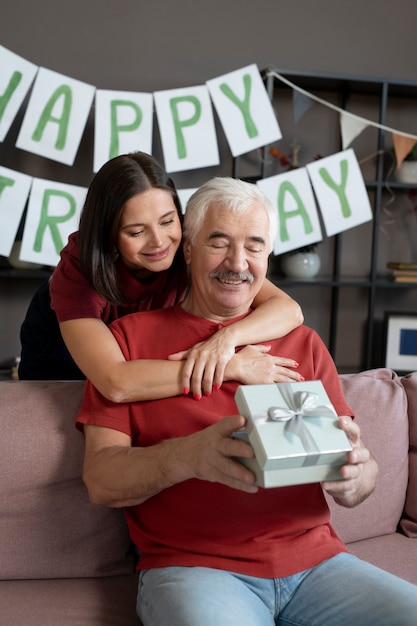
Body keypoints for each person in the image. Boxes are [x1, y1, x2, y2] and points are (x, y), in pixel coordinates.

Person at [76, 176, 417, 626]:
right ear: (189, 249)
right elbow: (101, 480)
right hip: (194, 568)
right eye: (219, 243)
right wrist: (188, 456)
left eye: (254, 247)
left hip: (319, 565)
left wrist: (357, 475)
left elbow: (360, 472)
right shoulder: (128, 342)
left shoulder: (302, 342)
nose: (238, 263)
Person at [18, 152, 303, 401]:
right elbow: (116, 383)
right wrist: (231, 366)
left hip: (139, 348)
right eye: (137, 231)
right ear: (110, 235)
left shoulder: (187, 243)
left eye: (168, 221)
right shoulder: (79, 267)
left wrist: (226, 340)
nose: (160, 242)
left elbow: (288, 310)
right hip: (61, 352)